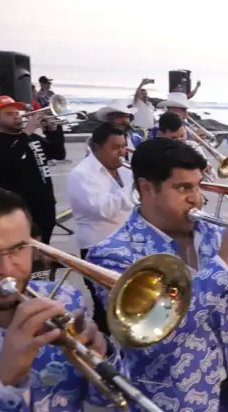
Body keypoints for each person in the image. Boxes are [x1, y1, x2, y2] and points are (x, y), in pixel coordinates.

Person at [87, 138, 228, 411]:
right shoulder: (112, 256)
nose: (198, 198)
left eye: (198, 186)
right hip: (171, 398)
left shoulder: (213, 234)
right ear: (146, 188)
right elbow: (155, 340)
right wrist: (226, 262)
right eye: (183, 188)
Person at [0, 185, 118, 411]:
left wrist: (101, 356)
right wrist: (3, 379)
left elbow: (108, 401)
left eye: (19, 248)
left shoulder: (65, 297)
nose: (7, 269)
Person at [66, 123, 133, 334]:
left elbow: (133, 205)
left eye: (123, 146)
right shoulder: (81, 175)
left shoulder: (124, 169)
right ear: (96, 147)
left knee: (127, 306)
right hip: (97, 249)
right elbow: (103, 209)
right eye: (115, 147)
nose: (122, 153)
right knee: (105, 308)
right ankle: (99, 351)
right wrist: (135, 187)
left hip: (126, 245)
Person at [0, 95, 66, 244]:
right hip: (18, 207)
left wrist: (54, 131)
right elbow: (9, 163)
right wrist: (26, 133)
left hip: (45, 204)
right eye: (9, 114)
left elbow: (58, 154)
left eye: (17, 113)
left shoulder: (33, 138)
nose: (17, 117)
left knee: (44, 249)